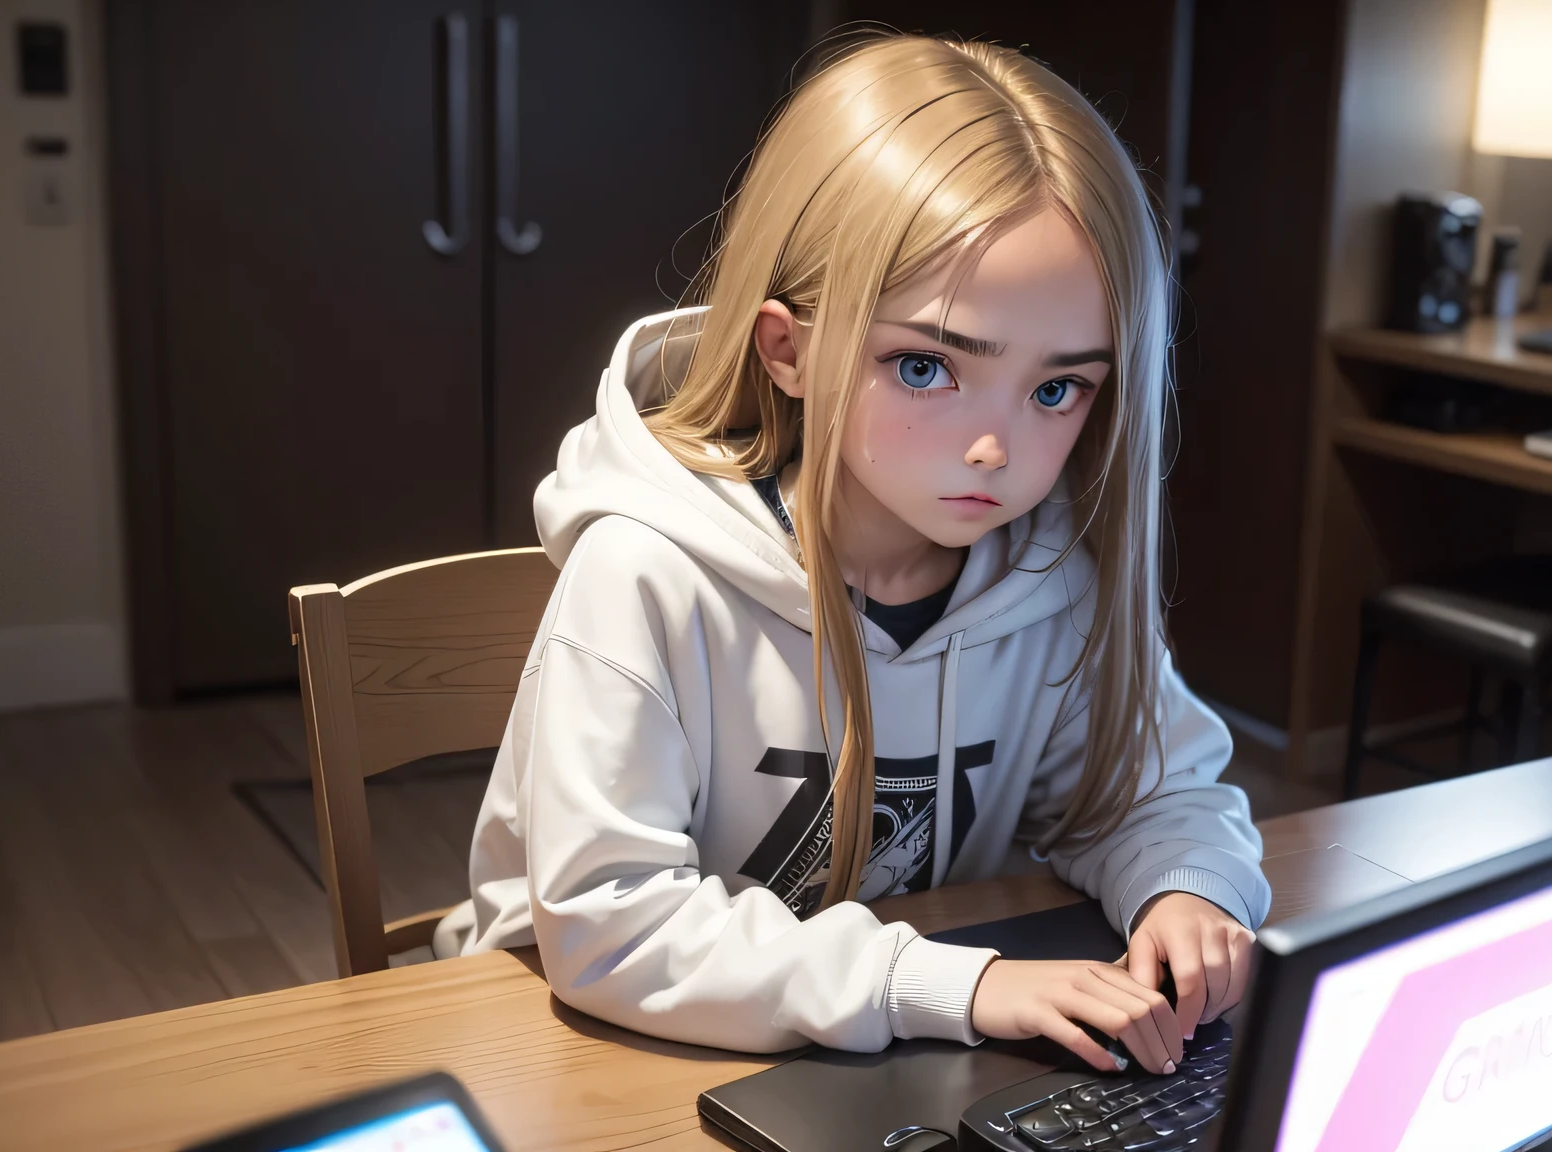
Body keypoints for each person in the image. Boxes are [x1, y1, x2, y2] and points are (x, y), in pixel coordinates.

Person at [433, 31, 1270, 1078]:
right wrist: (946, 983)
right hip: (584, 1057)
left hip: (862, 1065)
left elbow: (1147, 793)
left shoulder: (1049, 582)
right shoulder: (645, 573)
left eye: (1057, 388)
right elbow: (609, 926)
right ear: (785, 349)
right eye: (925, 366)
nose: (993, 448)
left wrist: (1187, 884)